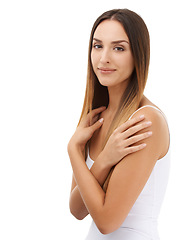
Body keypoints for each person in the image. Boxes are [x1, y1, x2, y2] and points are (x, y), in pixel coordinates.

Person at [68, 8, 170, 240]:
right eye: (97, 45)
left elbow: (107, 222)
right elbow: (77, 209)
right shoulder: (94, 118)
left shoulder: (146, 120)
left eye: (118, 48)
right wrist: (76, 150)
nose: (104, 58)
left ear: (138, 55)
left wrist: (92, 156)